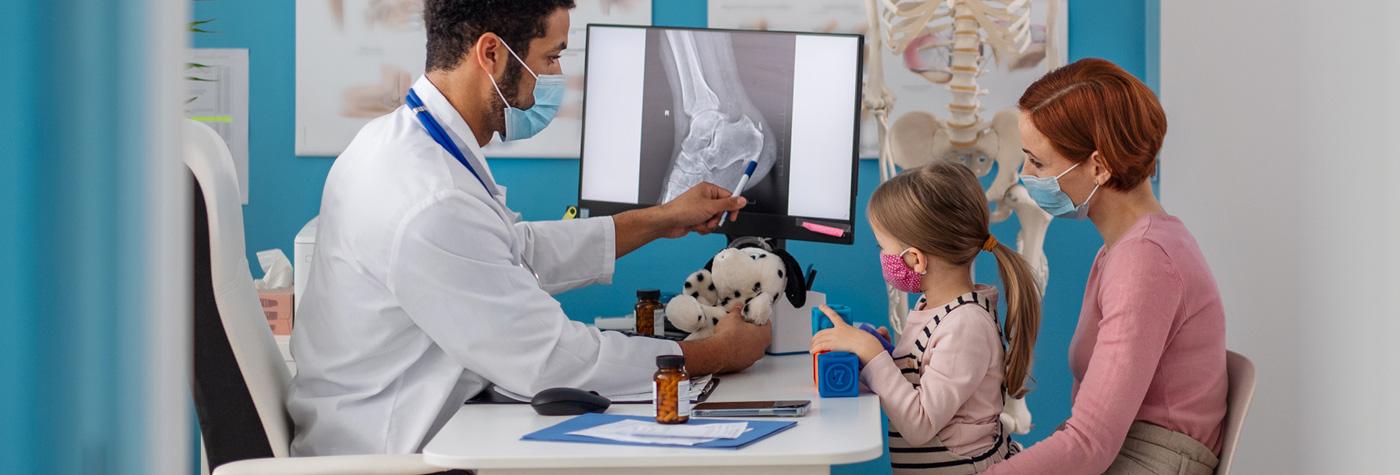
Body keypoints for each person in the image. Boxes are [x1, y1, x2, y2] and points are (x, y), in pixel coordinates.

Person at [287, 0, 771, 456]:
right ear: (492, 53)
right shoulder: (430, 199)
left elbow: (512, 251)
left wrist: (661, 218)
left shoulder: (400, 142)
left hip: (411, 425)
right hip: (390, 454)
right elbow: (554, 363)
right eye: (552, 57)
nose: (557, 75)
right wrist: (713, 353)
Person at [983, 58, 1228, 474]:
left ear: (1098, 166)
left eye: (1038, 163)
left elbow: (1088, 446)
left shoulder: (1145, 262)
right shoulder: (1129, 248)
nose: (1025, 175)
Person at [812, 161, 1042, 474]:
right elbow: (925, 383)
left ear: (916, 258)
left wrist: (875, 355)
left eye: (884, 248)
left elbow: (920, 424)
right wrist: (888, 359)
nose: (882, 257)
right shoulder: (932, 307)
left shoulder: (966, 325)